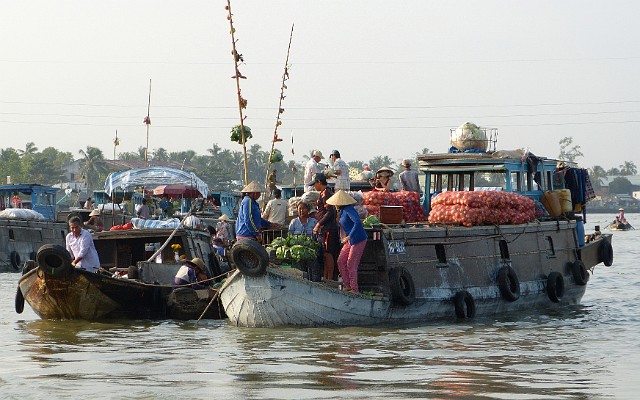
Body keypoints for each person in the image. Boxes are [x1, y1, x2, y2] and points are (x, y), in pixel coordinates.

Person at [326, 190, 367, 293]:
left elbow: (357, 223)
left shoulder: (349, 210)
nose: (334, 205)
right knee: (341, 261)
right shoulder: (341, 211)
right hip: (349, 240)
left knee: (351, 264)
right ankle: (348, 285)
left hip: (358, 239)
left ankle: (354, 289)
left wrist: (349, 237)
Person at [311, 173, 340, 281]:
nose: (314, 186)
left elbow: (330, 212)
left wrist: (319, 224)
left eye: (315, 184)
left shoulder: (326, 193)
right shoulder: (323, 193)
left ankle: (330, 278)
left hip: (328, 229)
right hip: (326, 228)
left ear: (319, 182)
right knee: (326, 253)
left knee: (329, 254)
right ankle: (327, 276)